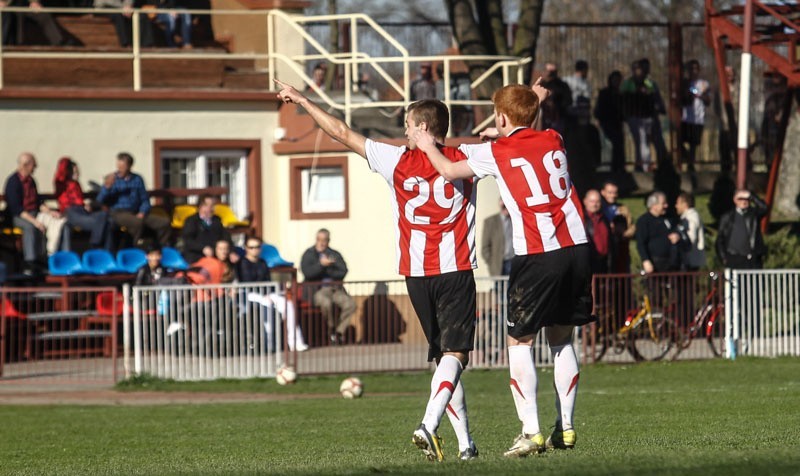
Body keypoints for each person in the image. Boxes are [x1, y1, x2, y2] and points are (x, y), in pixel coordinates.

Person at [276, 78, 479, 461]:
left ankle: (466, 445)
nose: (403, 130)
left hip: (416, 274)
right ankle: (428, 424)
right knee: (456, 355)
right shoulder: (466, 157)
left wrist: (303, 100)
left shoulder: (395, 159)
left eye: (407, 124)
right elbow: (513, 149)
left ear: (421, 128)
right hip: (455, 269)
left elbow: (339, 131)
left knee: (444, 360)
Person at [415, 81, 593, 457]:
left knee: (519, 341)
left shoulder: (493, 152)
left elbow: (448, 170)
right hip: (576, 247)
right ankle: (568, 426)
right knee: (562, 338)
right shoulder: (554, 139)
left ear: (501, 115)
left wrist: (427, 143)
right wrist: (522, 111)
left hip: (538, 252)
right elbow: (526, 133)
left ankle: (531, 430)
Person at [237, 235, 307, 352]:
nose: (255, 250)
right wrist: (263, 294)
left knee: (288, 305)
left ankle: (296, 342)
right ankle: (269, 344)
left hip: (266, 292)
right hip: (249, 294)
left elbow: (268, 280)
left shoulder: (262, 262)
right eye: (251, 247)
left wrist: (269, 293)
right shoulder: (241, 263)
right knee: (267, 305)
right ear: (246, 248)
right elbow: (246, 282)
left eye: (257, 247)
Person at [4, 152, 67, 274]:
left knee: (57, 222)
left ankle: (50, 254)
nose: (35, 168)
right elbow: (17, 208)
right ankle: (30, 262)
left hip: (34, 213)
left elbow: (38, 202)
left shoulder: (31, 181)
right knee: (31, 227)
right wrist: (35, 222)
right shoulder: (13, 182)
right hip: (19, 216)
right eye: (34, 165)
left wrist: (50, 212)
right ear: (25, 165)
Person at [97, 152, 170, 247]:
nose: (119, 170)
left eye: (122, 167)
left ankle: (159, 249)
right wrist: (107, 187)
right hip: (118, 213)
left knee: (164, 223)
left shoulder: (137, 179)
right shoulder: (112, 179)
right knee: (136, 222)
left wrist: (143, 212)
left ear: (129, 166)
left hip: (136, 212)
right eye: (118, 166)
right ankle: (134, 249)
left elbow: (144, 199)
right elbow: (100, 199)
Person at [299, 229, 357, 344]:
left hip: (335, 289)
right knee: (325, 303)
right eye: (319, 240)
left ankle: (339, 331)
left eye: (324, 240)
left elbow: (343, 272)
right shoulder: (309, 254)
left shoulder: (334, 254)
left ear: (328, 241)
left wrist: (329, 267)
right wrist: (321, 265)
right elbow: (308, 273)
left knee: (351, 304)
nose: (321, 243)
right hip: (317, 290)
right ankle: (331, 329)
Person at [54, 156, 112, 251]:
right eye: (75, 172)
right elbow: (62, 170)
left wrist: (84, 205)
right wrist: (68, 162)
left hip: (82, 211)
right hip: (71, 212)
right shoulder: (62, 183)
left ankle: (105, 251)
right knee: (102, 224)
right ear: (68, 172)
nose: (78, 174)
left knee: (105, 218)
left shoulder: (76, 184)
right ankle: (96, 246)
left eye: (78, 171)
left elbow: (79, 199)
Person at [621, 59, 662, 172]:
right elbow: (624, 98)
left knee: (645, 142)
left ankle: (643, 165)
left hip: (646, 117)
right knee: (640, 142)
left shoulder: (648, 82)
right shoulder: (628, 83)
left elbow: (652, 93)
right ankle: (642, 164)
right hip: (634, 117)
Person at [716, 190, 767, 270]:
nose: (744, 201)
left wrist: (751, 195)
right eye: (740, 199)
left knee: (753, 282)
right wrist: (723, 258)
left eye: (746, 199)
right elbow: (720, 239)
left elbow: (764, 208)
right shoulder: (727, 217)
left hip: (752, 259)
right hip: (733, 258)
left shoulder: (753, 214)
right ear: (735, 200)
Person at [635, 191, 681, 274]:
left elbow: (676, 230)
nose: (666, 206)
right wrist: (646, 260)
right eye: (663, 203)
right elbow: (641, 243)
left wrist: (677, 235)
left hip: (671, 263)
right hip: (655, 263)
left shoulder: (669, 219)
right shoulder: (644, 221)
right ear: (654, 205)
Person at [181, 194, 230, 264]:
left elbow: (225, 236)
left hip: (215, 254)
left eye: (212, 206)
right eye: (206, 205)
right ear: (200, 206)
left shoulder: (217, 220)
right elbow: (188, 240)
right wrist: (203, 248)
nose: (210, 208)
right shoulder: (192, 221)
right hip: (196, 254)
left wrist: (231, 251)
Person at [681, 60, 710, 172]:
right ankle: (687, 158)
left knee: (694, 144)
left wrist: (701, 95)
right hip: (686, 117)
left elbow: (708, 101)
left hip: (698, 118)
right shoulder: (684, 83)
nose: (693, 71)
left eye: (696, 69)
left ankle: (690, 165)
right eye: (691, 69)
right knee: (681, 141)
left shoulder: (703, 84)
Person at [600, 181, 635, 274]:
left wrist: (623, 234)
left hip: (620, 248)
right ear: (603, 192)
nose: (613, 195)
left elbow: (631, 226)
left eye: (615, 193)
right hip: (604, 248)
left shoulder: (623, 208)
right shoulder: (599, 208)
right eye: (610, 192)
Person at [594, 71, 626, 173]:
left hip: (617, 123)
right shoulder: (604, 93)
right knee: (608, 146)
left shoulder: (620, 94)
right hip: (606, 123)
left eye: (618, 80)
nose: (617, 82)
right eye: (615, 79)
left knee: (618, 146)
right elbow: (599, 109)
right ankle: (607, 168)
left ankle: (619, 167)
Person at [0, 0, 67, 46]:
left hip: (24, 4)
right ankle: (3, 46)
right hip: (5, 6)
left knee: (43, 14)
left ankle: (59, 44)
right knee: (7, 15)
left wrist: (34, 2)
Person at [481, 200, 513, 277]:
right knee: (499, 288)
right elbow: (485, 247)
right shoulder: (490, 222)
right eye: (504, 206)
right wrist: (492, 263)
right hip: (498, 264)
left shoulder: (515, 221)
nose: (506, 209)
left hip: (513, 262)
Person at [675, 192, 705, 271]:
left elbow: (692, 237)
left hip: (690, 260)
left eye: (678, 203)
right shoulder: (688, 217)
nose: (676, 206)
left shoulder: (691, 217)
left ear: (685, 204)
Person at [583, 189, 611, 274]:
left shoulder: (604, 219)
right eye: (592, 201)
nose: (595, 204)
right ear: (585, 202)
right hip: (589, 263)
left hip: (605, 262)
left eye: (598, 202)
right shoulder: (581, 220)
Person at [540, 62, 572, 133]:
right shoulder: (541, 85)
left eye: (552, 72)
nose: (550, 74)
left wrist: (556, 105)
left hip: (559, 118)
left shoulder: (562, 86)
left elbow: (568, 101)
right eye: (548, 71)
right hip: (544, 118)